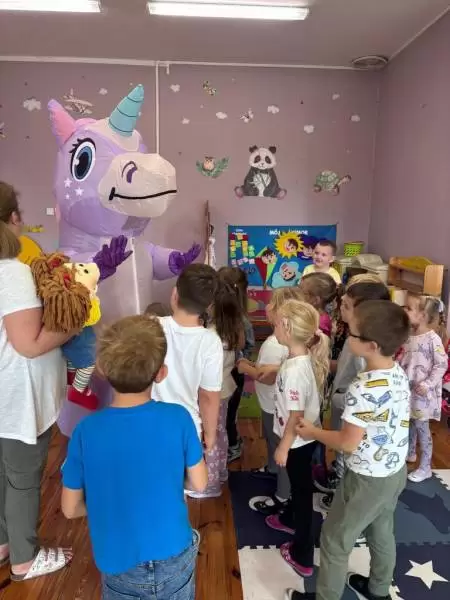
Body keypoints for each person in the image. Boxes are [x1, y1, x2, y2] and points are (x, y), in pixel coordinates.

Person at [61, 315, 208, 600]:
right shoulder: (179, 418)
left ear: (101, 368)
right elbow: (199, 483)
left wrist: (111, 503)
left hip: (117, 561)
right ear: (161, 373)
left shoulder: (85, 431)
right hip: (174, 553)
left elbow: (69, 508)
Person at [287, 300, 411, 600]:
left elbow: (347, 442)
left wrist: (312, 432)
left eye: (352, 333)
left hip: (366, 479)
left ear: (371, 345)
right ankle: (378, 589)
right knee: (381, 529)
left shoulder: (363, 387)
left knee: (334, 539)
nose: (347, 337)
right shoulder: (396, 372)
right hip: (394, 471)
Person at [0, 181, 73, 581]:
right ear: (13, 218)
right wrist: (72, 324)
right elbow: (29, 344)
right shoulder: (11, 272)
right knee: (23, 479)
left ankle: (4, 543)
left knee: (3, 473)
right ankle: (24, 560)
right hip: (16, 398)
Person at [266, 299, 329, 578]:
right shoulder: (299, 360)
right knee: (299, 486)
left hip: (297, 442)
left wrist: (283, 446)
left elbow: (296, 415)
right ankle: (290, 518)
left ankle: (302, 554)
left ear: (287, 327)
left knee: (303, 494)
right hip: (301, 439)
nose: (274, 327)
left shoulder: (294, 371)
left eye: (277, 323)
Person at [317, 281, 391, 508]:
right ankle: (340, 477)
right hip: (342, 400)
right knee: (342, 449)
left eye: (347, 305)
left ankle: (342, 492)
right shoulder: (355, 339)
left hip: (349, 406)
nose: (341, 306)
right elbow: (343, 366)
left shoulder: (361, 348)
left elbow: (363, 381)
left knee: (346, 449)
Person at [237, 287, 304, 516]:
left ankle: (283, 494)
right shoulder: (283, 339)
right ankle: (273, 468)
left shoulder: (278, 343)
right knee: (271, 439)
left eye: (272, 303)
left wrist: (245, 367)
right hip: (272, 404)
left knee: (279, 446)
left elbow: (267, 377)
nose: (267, 306)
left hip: (277, 407)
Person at [152, 264, 224, 453]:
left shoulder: (151, 326)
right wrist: (210, 434)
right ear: (209, 305)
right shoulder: (210, 342)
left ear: (175, 293)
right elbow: (208, 396)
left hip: (148, 424)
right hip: (187, 428)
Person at [190, 268, 244, 499]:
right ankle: (220, 472)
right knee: (220, 433)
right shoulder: (231, 330)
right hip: (226, 388)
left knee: (209, 436)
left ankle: (210, 483)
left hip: (213, 391)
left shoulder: (210, 335)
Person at [398, 293, 447, 483]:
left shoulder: (432, 339)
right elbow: (405, 357)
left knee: (422, 428)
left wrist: (428, 384)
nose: (404, 310)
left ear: (423, 316)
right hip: (409, 390)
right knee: (409, 422)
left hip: (423, 394)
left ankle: (426, 467)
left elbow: (441, 365)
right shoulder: (410, 335)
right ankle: (410, 453)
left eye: (409, 308)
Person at [221, 267, 255, 463]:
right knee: (226, 414)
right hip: (226, 374)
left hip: (230, 374)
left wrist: (239, 360)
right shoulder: (237, 320)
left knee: (227, 414)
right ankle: (230, 444)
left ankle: (231, 445)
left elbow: (246, 346)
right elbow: (247, 346)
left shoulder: (240, 321)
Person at [298, 272, 338, 339]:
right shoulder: (309, 314)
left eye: (301, 292)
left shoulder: (320, 324)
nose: (296, 293)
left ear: (315, 300)